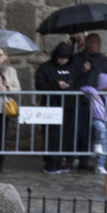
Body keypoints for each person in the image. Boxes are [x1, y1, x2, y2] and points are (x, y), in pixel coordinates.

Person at [71, 33, 107, 170]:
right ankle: (77, 157)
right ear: (88, 43)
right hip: (81, 100)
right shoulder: (78, 58)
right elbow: (71, 78)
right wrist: (83, 70)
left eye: (99, 42)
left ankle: (89, 159)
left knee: (96, 131)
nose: (98, 45)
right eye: (95, 42)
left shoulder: (105, 61)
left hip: (98, 104)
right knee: (80, 130)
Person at [35, 42, 76, 173]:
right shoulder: (45, 68)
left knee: (64, 135)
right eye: (60, 57)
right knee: (51, 135)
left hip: (67, 108)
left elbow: (77, 83)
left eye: (66, 58)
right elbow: (40, 85)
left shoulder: (72, 67)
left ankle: (59, 161)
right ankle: (50, 163)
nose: (63, 60)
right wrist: (57, 85)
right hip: (50, 107)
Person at [80, 72, 107, 175]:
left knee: (106, 142)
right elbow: (84, 88)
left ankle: (100, 165)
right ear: (104, 83)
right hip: (97, 119)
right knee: (100, 130)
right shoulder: (95, 94)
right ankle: (96, 145)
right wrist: (93, 91)